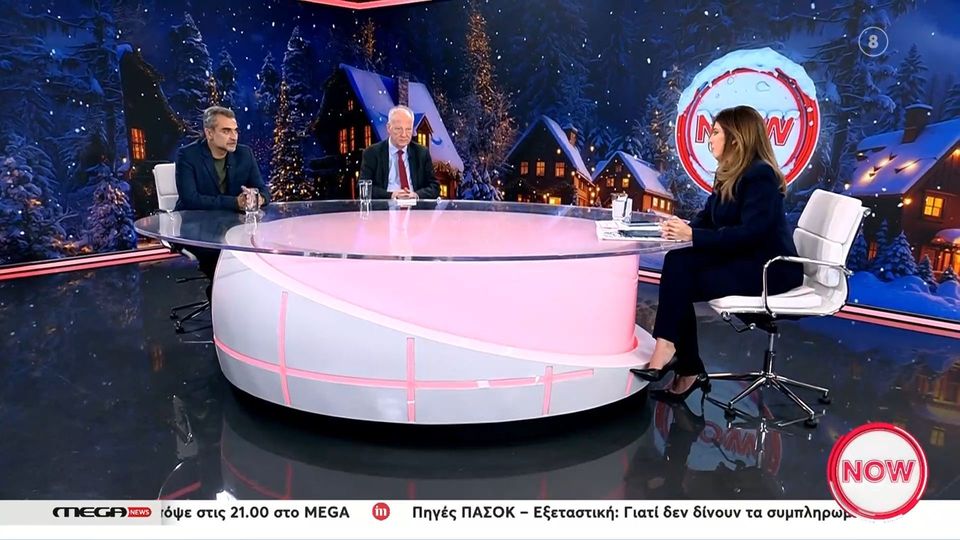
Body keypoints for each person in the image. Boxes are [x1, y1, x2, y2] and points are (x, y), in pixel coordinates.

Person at [631, 105, 804, 402]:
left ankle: (681, 360)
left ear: (736, 138)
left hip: (770, 270)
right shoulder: (730, 173)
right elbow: (709, 219)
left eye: (714, 133)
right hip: (745, 259)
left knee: (681, 279)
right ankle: (674, 353)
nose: (709, 139)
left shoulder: (761, 175)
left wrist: (693, 236)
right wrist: (681, 228)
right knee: (678, 264)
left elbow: (751, 234)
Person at [173, 106, 270, 287]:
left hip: (232, 226)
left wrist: (256, 199)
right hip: (196, 227)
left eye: (235, 131)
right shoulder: (188, 155)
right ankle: (219, 295)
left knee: (256, 252)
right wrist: (235, 202)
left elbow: (264, 191)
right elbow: (190, 199)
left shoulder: (244, 154)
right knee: (223, 258)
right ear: (209, 133)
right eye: (226, 131)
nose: (234, 137)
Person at [359, 105, 439, 200]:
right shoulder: (372, 153)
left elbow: (434, 187)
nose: (404, 134)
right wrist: (391, 195)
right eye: (398, 129)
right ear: (389, 128)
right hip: (385, 206)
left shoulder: (421, 153)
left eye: (408, 129)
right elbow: (363, 187)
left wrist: (416, 195)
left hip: (414, 206)